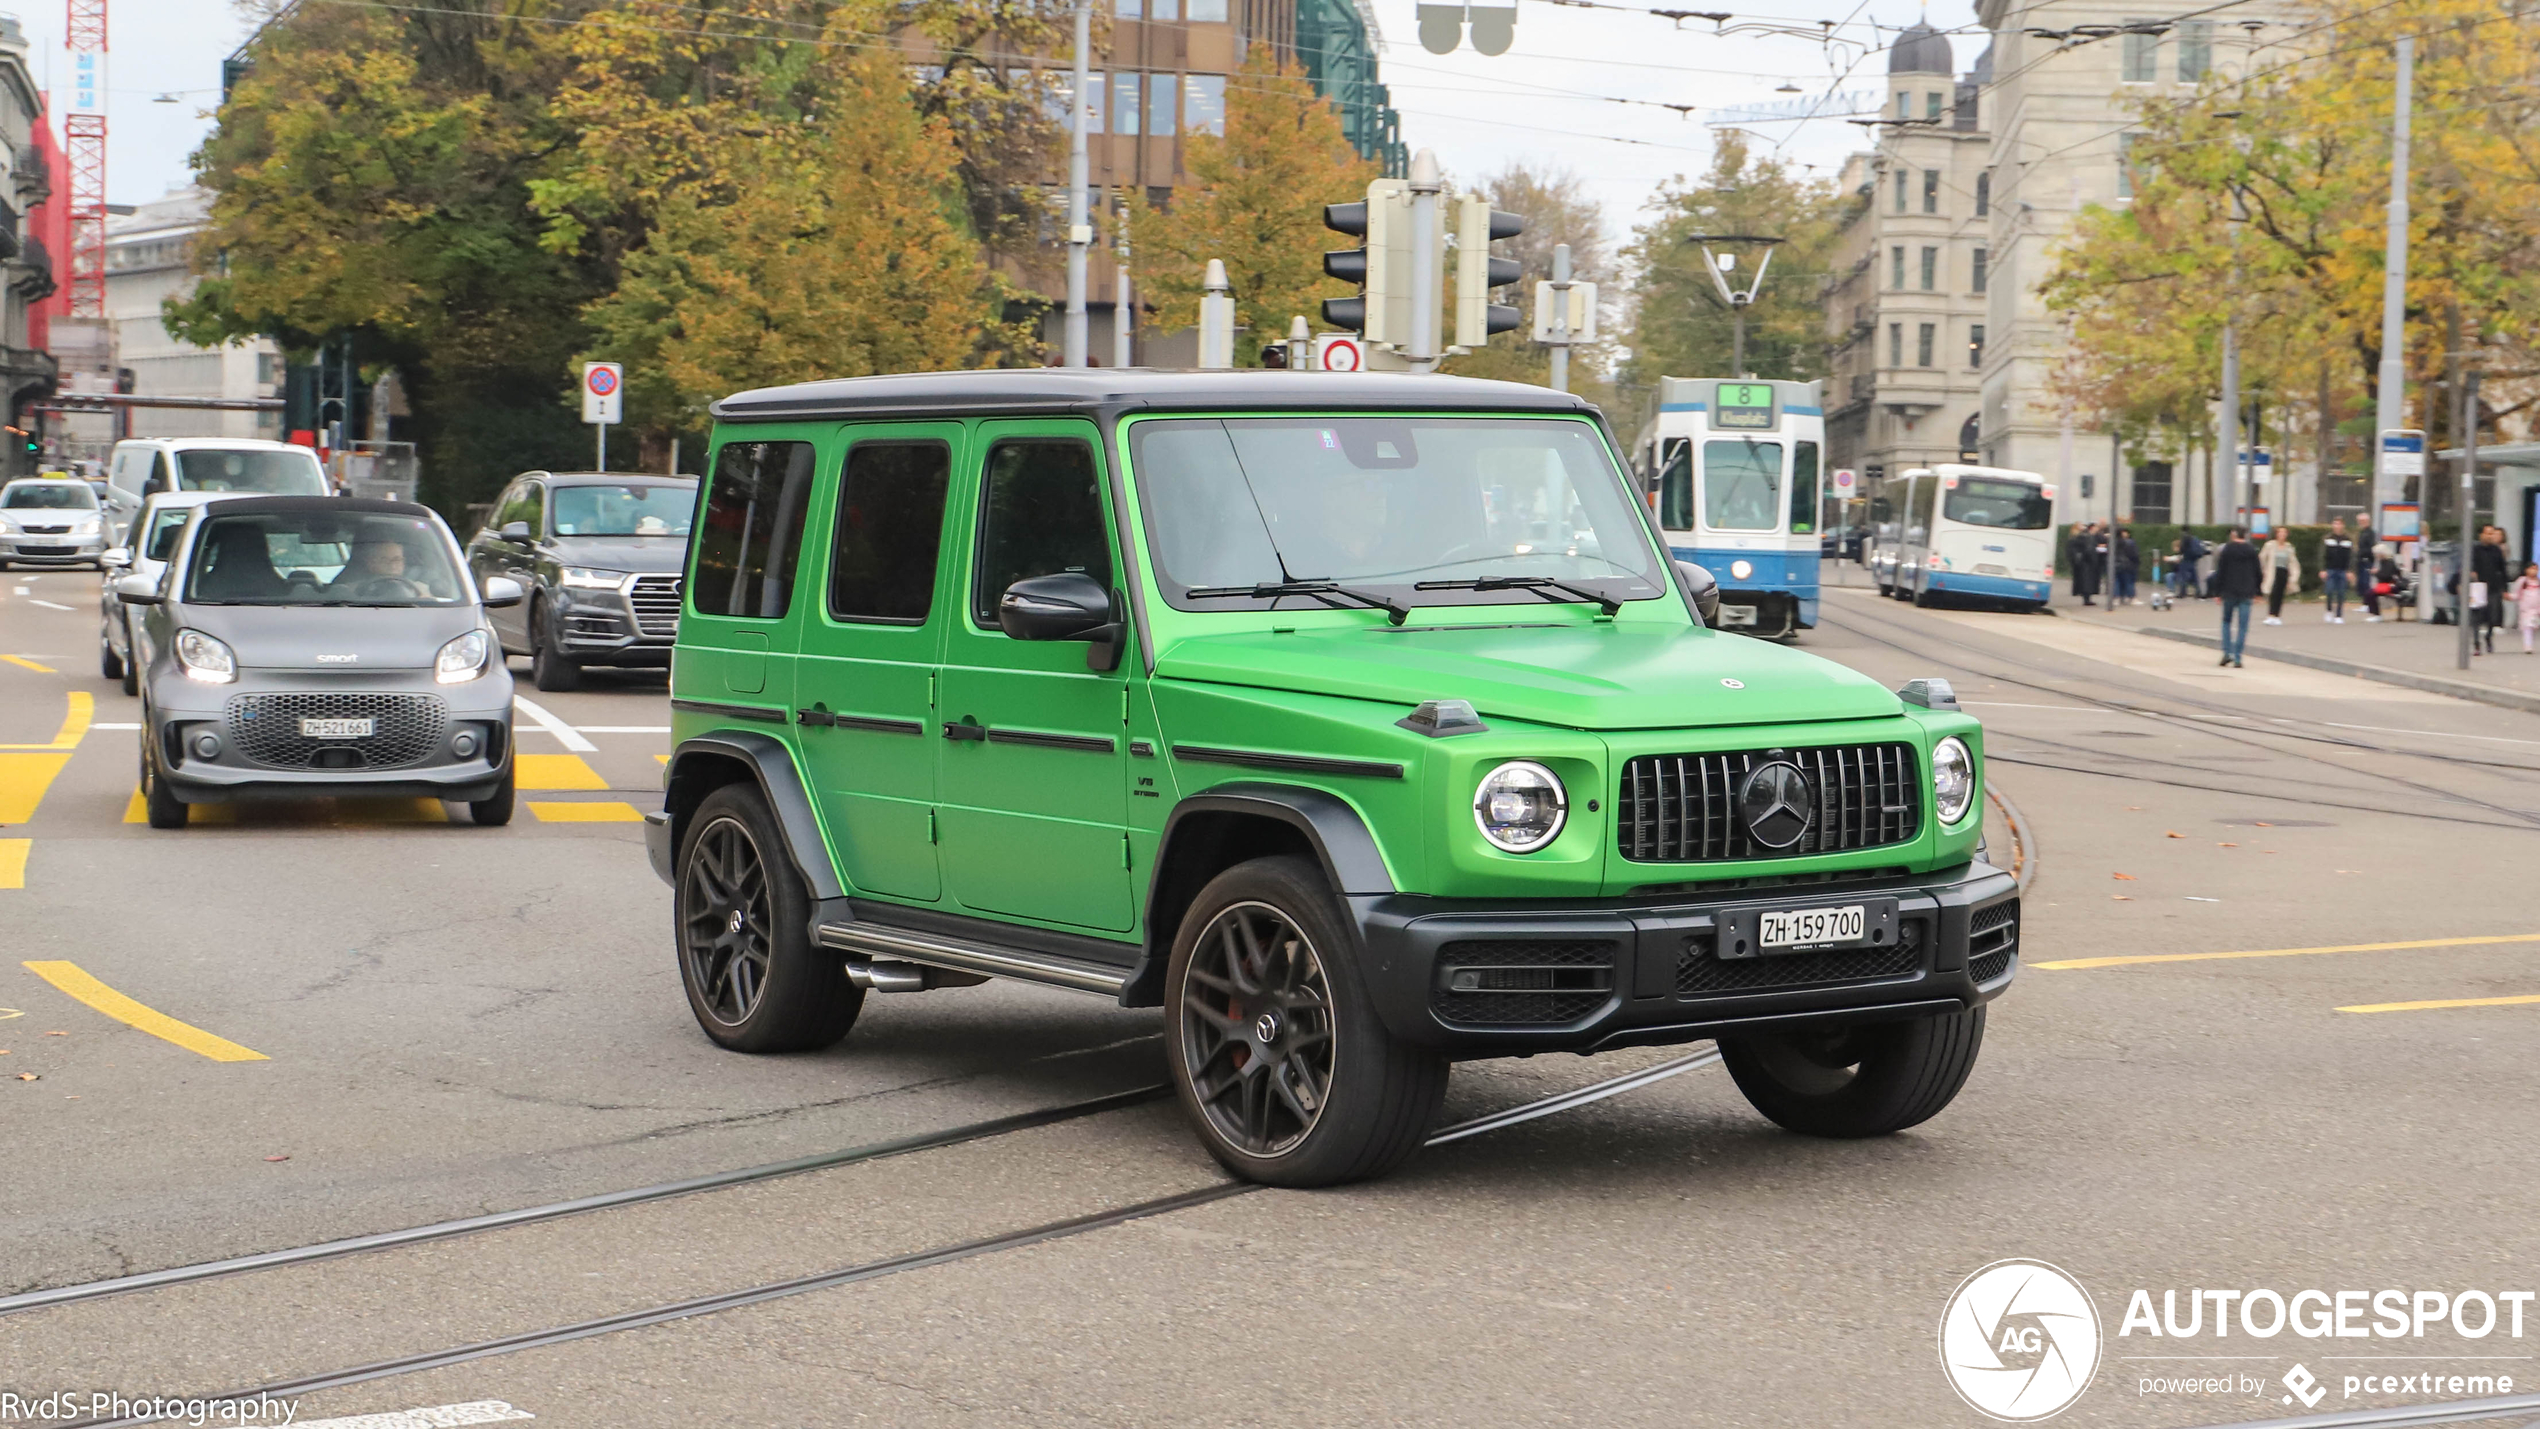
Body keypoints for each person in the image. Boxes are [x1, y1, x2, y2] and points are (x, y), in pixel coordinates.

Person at [2213, 526, 2261, 667]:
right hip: (2246, 592)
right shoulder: (2251, 550)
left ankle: (2227, 652)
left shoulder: (2227, 549)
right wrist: (2258, 592)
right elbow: (2257, 572)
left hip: (2229, 591)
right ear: (2245, 535)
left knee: (2226, 622)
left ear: (2234, 534)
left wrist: (2217, 592)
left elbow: (2220, 571)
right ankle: (2238, 657)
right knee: (2242, 626)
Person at [2470, 524, 2509, 656]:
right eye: (2487, 533)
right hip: (2478, 587)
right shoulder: (2476, 549)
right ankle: (2476, 643)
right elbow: (2470, 566)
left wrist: (2504, 587)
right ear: (2481, 535)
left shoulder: (2496, 550)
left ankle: (2488, 635)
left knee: (2493, 617)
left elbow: (2502, 569)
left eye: (2492, 533)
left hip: (2493, 587)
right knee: (2477, 616)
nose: (2489, 536)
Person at [2259, 527, 2302, 625]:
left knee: (2280, 594)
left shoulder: (2289, 547)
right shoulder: (2269, 545)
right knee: (2273, 594)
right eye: (2280, 533)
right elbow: (2262, 558)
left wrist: (2293, 576)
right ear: (2276, 534)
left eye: (2284, 533)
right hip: (2272, 572)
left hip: (2283, 572)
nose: (2282, 535)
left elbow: (2293, 562)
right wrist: (2263, 570)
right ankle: (2270, 615)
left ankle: (2277, 616)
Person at [2319, 517, 2354, 623]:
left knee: (2341, 593)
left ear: (2343, 525)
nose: (2337, 526)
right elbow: (2322, 555)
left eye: (2339, 524)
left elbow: (2352, 556)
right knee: (2329, 591)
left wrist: (2350, 570)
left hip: (2343, 570)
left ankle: (2339, 615)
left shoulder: (2348, 539)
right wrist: (2322, 569)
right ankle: (2329, 610)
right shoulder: (2327, 538)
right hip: (2330, 569)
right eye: (2335, 524)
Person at [2511, 561, 2540, 655]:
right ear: (2526, 570)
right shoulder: (2523, 581)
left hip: (2536, 608)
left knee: (2533, 626)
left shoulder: (2538, 582)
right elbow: (2516, 593)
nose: (2534, 571)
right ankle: (2528, 646)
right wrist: (2510, 597)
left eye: (2535, 569)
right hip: (2525, 608)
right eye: (2532, 569)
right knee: (2527, 627)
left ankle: (2530, 643)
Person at [2354, 522, 2380, 620]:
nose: (2360, 523)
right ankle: (2364, 603)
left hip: (2367, 560)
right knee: (2362, 582)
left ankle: (2367, 604)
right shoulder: (2362, 533)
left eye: (2361, 521)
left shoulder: (2370, 533)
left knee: (2366, 581)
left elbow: (2370, 547)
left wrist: (2364, 554)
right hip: (2361, 560)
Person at [2112, 524, 2139, 606]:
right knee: (2129, 582)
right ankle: (2132, 598)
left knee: (2116, 581)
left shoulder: (2112, 542)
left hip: (2115, 564)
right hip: (2127, 564)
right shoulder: (2130, 542)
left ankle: (2116, 598)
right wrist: (2136, 563)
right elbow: (2134, 554)